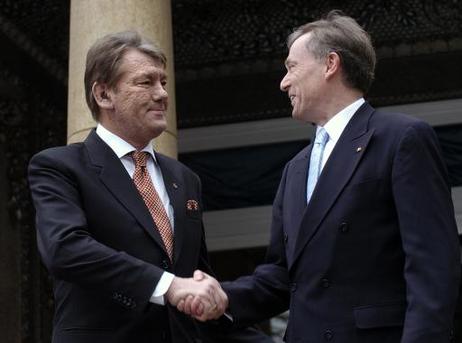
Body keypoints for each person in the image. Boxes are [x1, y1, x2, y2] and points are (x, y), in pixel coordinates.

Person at [179, 10, 461, 343]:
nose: (283, 82)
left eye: (291, 67)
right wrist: (223, 299)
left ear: (330, 64)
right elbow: (282, 276)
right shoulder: (295, 169)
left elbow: (432, 266)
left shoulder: (400, 139)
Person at [28, 31, 268, 343]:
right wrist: (167, 285)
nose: (162, 94)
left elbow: (194, 285)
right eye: (146, 82)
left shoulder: (184, 179)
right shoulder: (60, 167)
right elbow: (65, 249)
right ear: (103, 95)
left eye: (163, 82)